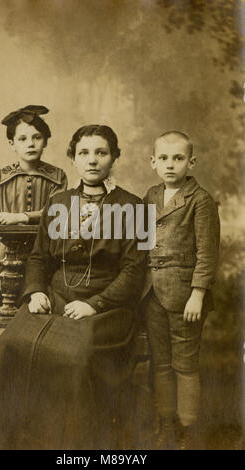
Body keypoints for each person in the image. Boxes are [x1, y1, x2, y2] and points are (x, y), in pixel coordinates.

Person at [0, 124, 147, 450]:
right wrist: (35, 291)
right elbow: (38, 258)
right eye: (84, 153)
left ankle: (66, 444)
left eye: (101, 152)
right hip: (54, 296)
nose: (92, 160)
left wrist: (97, 304)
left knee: (75, 354)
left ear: (114, 158)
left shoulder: (135, 207)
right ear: (74, 160)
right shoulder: (58, 201)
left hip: (108, 307)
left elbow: (135, 272)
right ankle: (7, 439)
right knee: (10, 343)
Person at [141, 131, 220, 449]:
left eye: (178, 158)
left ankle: (186, 429)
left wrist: (198, 293)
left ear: (192, 162)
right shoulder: (150, 196)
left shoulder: (200, 201)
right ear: (153, 162)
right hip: (152, 296)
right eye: (163, 158)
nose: (170, 165)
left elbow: (208, 253)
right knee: (159, 363)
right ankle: (165, 423)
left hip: (186, 297)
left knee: (184, 364)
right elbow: (142, 243)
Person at [0, 105, 68, 318]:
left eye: (37, 137)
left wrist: (23, 216)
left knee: (36, 310)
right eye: (22, 139)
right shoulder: (1, 177)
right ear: (12, 144)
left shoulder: (57, 177)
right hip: (2, 255)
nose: (30, 143)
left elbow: (59, 214)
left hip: (41, 253)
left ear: (45, 141)